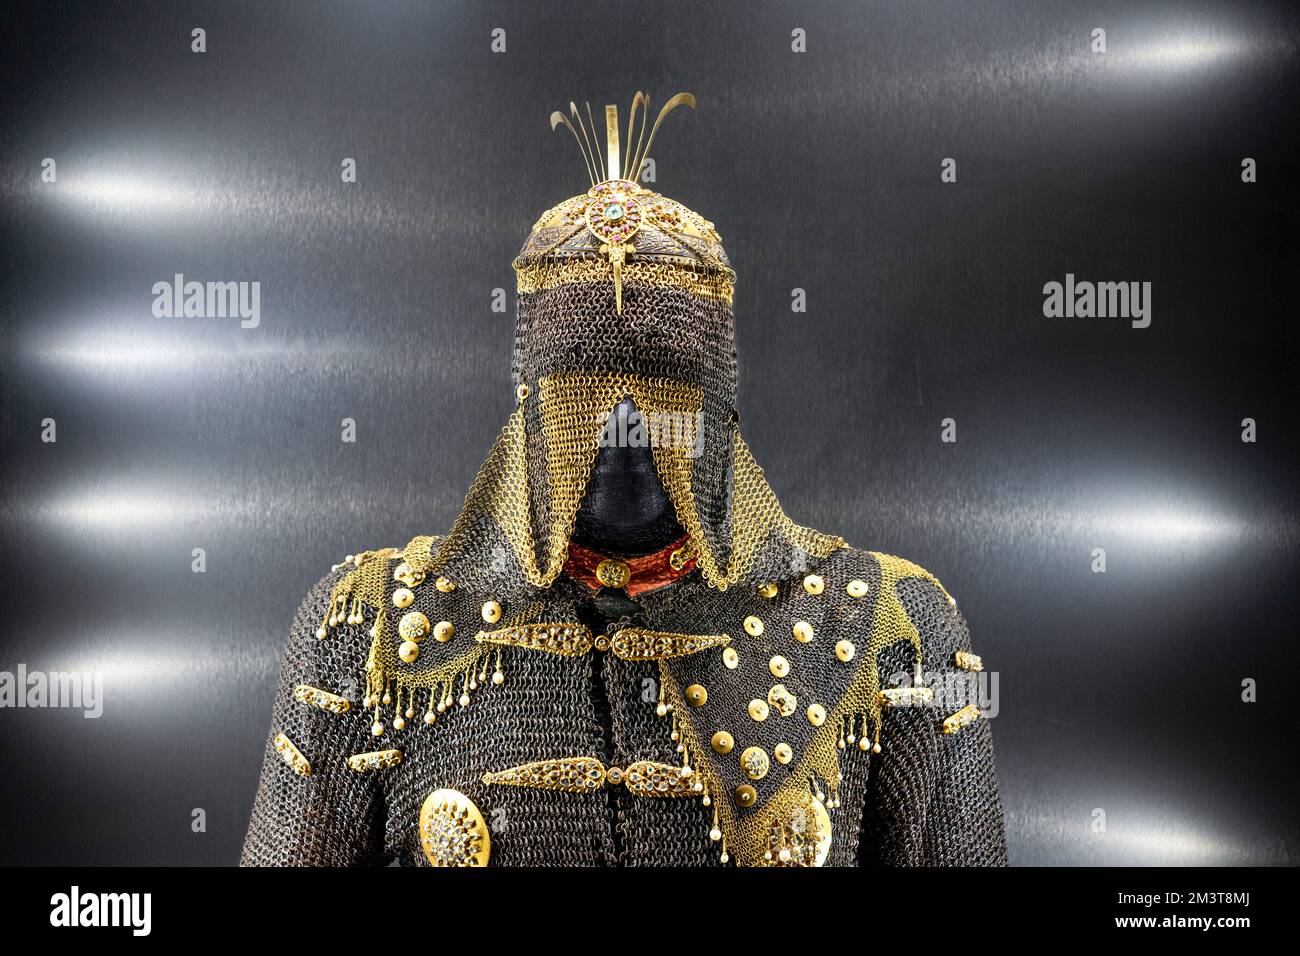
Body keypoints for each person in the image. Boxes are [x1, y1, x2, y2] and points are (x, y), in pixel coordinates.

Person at [240, 91, 1007, 867]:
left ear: (719, 406)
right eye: (585, 412)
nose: (624, 447)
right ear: (530, 407)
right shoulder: (359, 633)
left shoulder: (897, 634)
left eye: (658, 412)